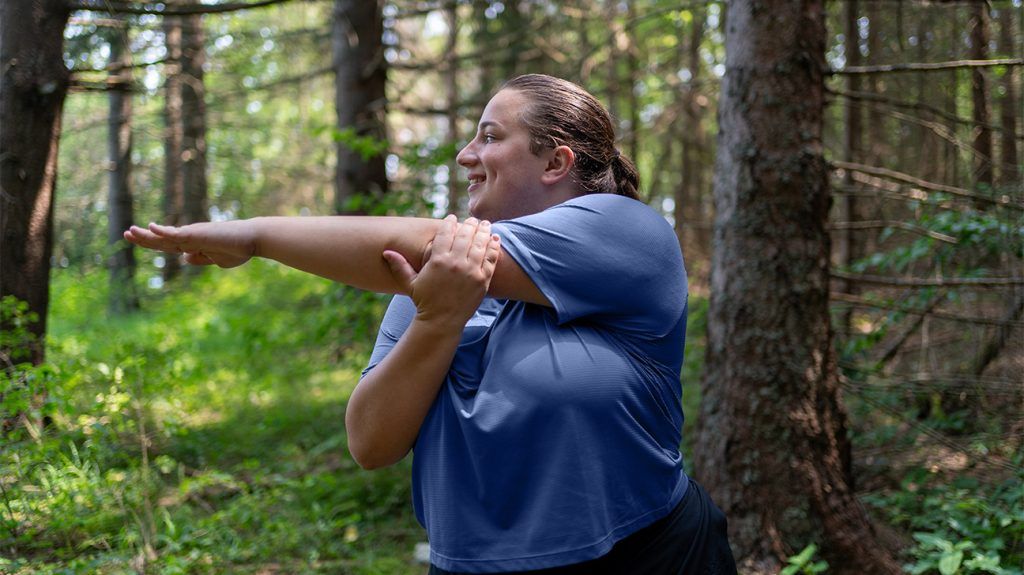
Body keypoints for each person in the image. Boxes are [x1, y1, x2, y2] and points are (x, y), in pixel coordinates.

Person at [126, 74, 736, 574]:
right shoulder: (428, 286)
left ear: (556, 160)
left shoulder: (627, 233)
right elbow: (371, 444)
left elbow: (418, 241)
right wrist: (438, 321)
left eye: (489, 137)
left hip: (649, 555)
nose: (465, 154)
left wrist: (255, 235)